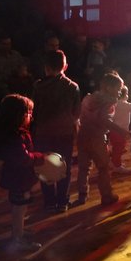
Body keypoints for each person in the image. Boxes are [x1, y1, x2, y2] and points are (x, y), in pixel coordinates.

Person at [31, 50, 81, 213]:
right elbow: (76, 112)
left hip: (43, 133)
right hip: (64, 133)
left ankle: (49, 201)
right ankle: (62, 201)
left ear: (46, 68)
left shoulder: (38, 86)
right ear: (64, 67)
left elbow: (34, 111)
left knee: (45, 166)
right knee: (63, 166)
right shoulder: (73, 87)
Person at [0, 94, 45, 251]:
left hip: (17, 177)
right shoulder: (15, 136)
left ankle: (19, 230)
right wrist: (39, 157)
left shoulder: (12, 132)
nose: (31, 116)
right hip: (19, 178)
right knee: (19, 208)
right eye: (28, 113)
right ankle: (17, 238)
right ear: (19, 115)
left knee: (20, 206)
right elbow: (23, 158)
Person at [74, 73, 131, 206]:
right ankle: (107, 195)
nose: (119, 93)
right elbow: (104, 120)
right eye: (118, 89)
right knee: (103, 168)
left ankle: (82, 195)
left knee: (83, 168)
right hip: (97, 138)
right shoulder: (109, 102)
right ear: (108, 88)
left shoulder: (88, 98)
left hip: (83, 136)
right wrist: (122, 131)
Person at [109, 84, 131, 174]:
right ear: (125, 94)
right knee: (119, 149)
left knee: (116, 148)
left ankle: (114, 163)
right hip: (121, 131)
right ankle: (117, 166)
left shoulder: (114, 103)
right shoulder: (124, 104)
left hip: (113, 130)